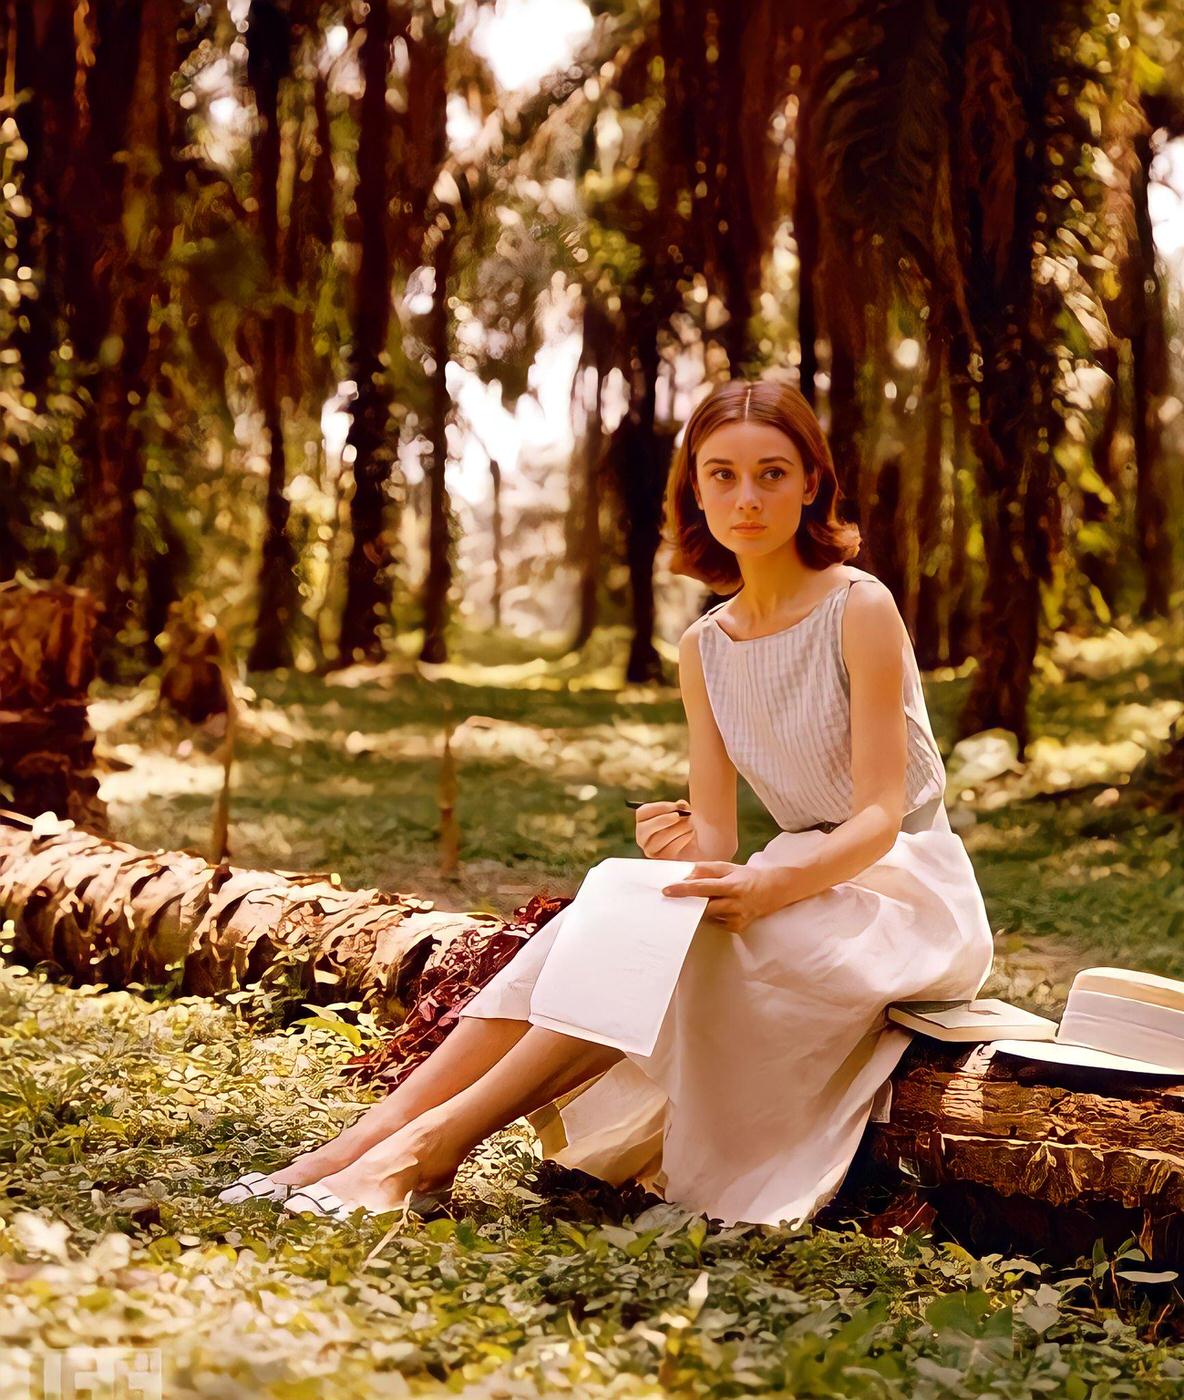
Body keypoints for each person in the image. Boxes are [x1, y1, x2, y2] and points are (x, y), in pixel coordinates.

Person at [218, 377, 994, 1225]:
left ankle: (428, 1150)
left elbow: (882, 815)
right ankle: (359, 1144)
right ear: (694, 490)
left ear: (813, 483)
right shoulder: (709, 643)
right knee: (590, 924)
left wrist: (771, 888)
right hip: (793, 874)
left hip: (902, 894)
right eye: (722, 475)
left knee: (667, 950)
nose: (747, 498)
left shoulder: (860, 605)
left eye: (773, 474)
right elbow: (722, 838)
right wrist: (684, 840)